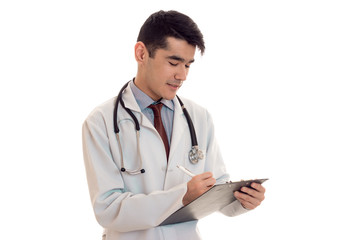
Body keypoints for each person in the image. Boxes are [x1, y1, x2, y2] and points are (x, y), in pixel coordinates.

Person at [82, 10, 266, 240]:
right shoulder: (101, 121)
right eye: (173, 62)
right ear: (141, 54)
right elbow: (108, 209)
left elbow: (216, 186)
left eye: (188, 65)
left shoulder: (199, 117)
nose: (182, 75)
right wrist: (182, 196)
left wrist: (242, 201)